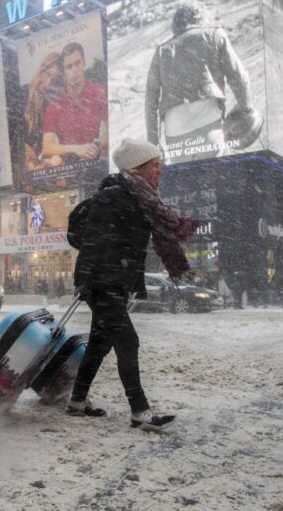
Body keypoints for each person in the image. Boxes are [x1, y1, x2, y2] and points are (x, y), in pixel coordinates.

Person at [68, 138, 198, 432]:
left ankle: (77, 401)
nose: (160, 171)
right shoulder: (113, 197)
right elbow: (93, 242)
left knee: (100, 343)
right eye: (155, 165)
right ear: (138, 168)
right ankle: (140, 411)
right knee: (128, 341)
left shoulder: (139, 197)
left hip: (113, 280)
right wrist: (88, 281)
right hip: (102, 282)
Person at [145, 1, 257, 161]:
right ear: (201, 18)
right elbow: (240, 77)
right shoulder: (215, 35)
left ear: (176, 24)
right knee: (215, 178)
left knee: (187, 181)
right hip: (208, 127)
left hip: (175, 135)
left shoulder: (162, 51)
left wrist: (153, 143)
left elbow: (151, 102)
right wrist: (246, 109)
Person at [42, 42, 108, 164]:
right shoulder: (55, 104)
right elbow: (47, 147)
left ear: (84, 63)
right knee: (55, 161)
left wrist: (96, 145)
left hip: (94, 159)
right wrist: (77, 149)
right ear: (64, 71)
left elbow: (111, 128)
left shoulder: (98, 92)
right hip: (68, 166)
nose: (74, 70)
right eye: (69, 67)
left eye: (77, 63)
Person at [24, 52, 64, 170]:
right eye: (48, 74)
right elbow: (18, 141)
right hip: (27, 160)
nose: (48, 83)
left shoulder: (54, 103)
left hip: (43, 162)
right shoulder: (24, 94)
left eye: (55, 80)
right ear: (42, 70)